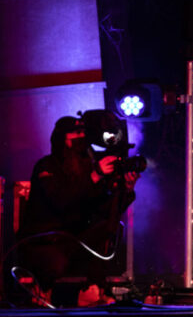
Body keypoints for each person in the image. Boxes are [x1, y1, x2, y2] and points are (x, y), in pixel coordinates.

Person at [13, 115, 139, 307]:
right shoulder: (46, 166)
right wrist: (95, 176)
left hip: (73, 240)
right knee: (57, 262)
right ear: (62, 138)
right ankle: (45, 293)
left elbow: (103, 209)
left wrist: (126, 190)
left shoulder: (87, 169)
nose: (81, 137)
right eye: (76, 133)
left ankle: (94, 290)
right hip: (44, 241)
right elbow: (61, 201)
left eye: (83, 133)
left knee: (107, 227)